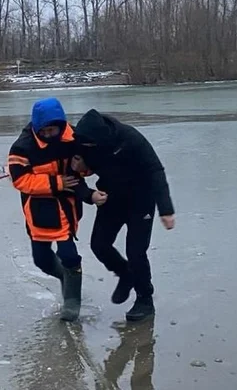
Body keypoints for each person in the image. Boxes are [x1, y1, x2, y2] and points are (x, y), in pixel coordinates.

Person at [6, 98, 107, 322]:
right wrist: (57, 183)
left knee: (69, 254)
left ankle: (72, 300)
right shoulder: (23, 147)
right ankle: (65, 277)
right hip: (38, 211)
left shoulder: (73, 138)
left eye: (54, 129)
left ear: (61, 125)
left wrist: (88, 183)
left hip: (67, 208)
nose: (50, 134)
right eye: (45, 130)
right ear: (37, 127)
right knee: (41, 259)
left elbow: (84, 170)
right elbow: (21, 181)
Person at [71, 109, 175, 322]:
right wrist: (89, 194)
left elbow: (155, 170)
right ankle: (125, 274)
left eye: (91, 146)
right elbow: (72, 177)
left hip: (141, 201)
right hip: (111, 199)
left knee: (136, 252)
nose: (87, 149)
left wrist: (166, 209)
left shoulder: (130, 138)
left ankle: (145, 299)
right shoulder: (81, 142)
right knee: (99, 245)